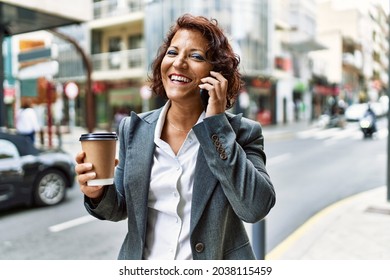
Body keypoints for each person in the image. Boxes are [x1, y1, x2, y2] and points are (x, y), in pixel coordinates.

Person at [75, 14, 275, 260]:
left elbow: (255, 208)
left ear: (217, 74)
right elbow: (120, 207)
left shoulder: (242, 132)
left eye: (195, 56)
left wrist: (216, 125)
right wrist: (97, 193)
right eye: (172, 52)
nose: (179, 63)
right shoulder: (133, 129)